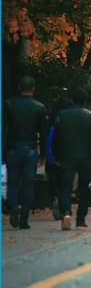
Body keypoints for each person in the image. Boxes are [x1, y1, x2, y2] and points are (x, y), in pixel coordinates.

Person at [3, 76, 47, 229]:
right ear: (33, 89)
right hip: (30, 149)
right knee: (29, 184)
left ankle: (13, 208)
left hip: (13, 148)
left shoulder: (10, 105)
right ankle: (24, 218)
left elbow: (5, 130)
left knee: (12, 182)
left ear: (19, 88)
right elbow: (43, 133)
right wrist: (43, 154)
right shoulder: (39, 107)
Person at [54, 89, 91, 229]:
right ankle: (81, 218)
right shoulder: (90, 117)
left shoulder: (62, 115)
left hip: (66, 156)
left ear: (72, 100)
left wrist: (56, 156)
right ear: (85, 101)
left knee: (65, 187)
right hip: (84, 157)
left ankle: (66, 212)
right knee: (84, 188)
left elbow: (56, 138)